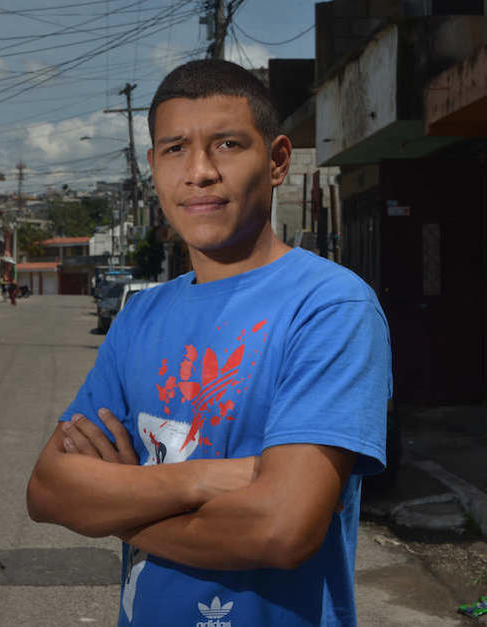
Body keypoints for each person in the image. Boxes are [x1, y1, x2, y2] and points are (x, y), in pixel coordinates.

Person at [27, 59, 391, 626]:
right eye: (175, 149)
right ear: (153, 167)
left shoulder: (329, 307)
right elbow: (48, 491)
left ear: (277, 160)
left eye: (227, 144)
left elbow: (280, 530)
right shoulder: (140, 316)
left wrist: (120, 509)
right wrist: (205, 478)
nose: (199, 172)